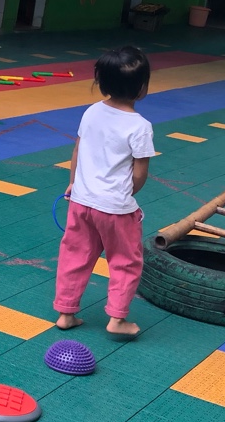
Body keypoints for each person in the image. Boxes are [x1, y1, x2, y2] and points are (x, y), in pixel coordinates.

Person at [54, 45, 154, 340]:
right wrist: (124, 195)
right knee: (125, 261)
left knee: (75, 255)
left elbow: (77, 150)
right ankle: (117, 319)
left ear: (102, 83)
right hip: (115, 208)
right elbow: (140, 173)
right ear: (142, 87)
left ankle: (66, 313)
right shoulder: (140, 126)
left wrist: (74, 182)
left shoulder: (92, 111)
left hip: (81, 201)